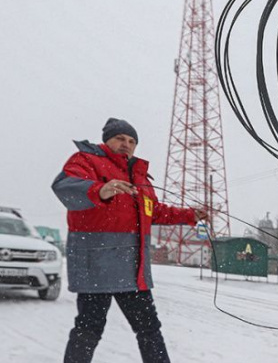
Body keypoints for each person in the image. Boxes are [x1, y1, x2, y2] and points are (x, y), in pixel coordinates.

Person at [51, 117, 208, 363]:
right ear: (107, 140)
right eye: (120, 138)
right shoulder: (85, 160)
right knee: (89, 328)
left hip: (132, 268)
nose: (126, 144)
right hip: (96, 264)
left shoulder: (139, 175)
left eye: (132, 141)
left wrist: (190, 215)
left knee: (149, 329)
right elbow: (65, 186)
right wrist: (99, 190)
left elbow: (153, 212)